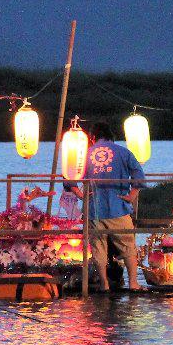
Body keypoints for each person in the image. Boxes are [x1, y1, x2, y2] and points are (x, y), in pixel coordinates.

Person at [66, 120, 147, 292]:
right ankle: (133, 283)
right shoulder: (124, 152)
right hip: (118, 206)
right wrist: (132, 196)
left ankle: (104, 284)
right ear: (111, 136)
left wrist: (81, 196)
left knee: (98, 248)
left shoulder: (85, 154)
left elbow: (70, 178)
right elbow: (139, 175)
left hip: (95, 209)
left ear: (93, 137)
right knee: (127, 246)